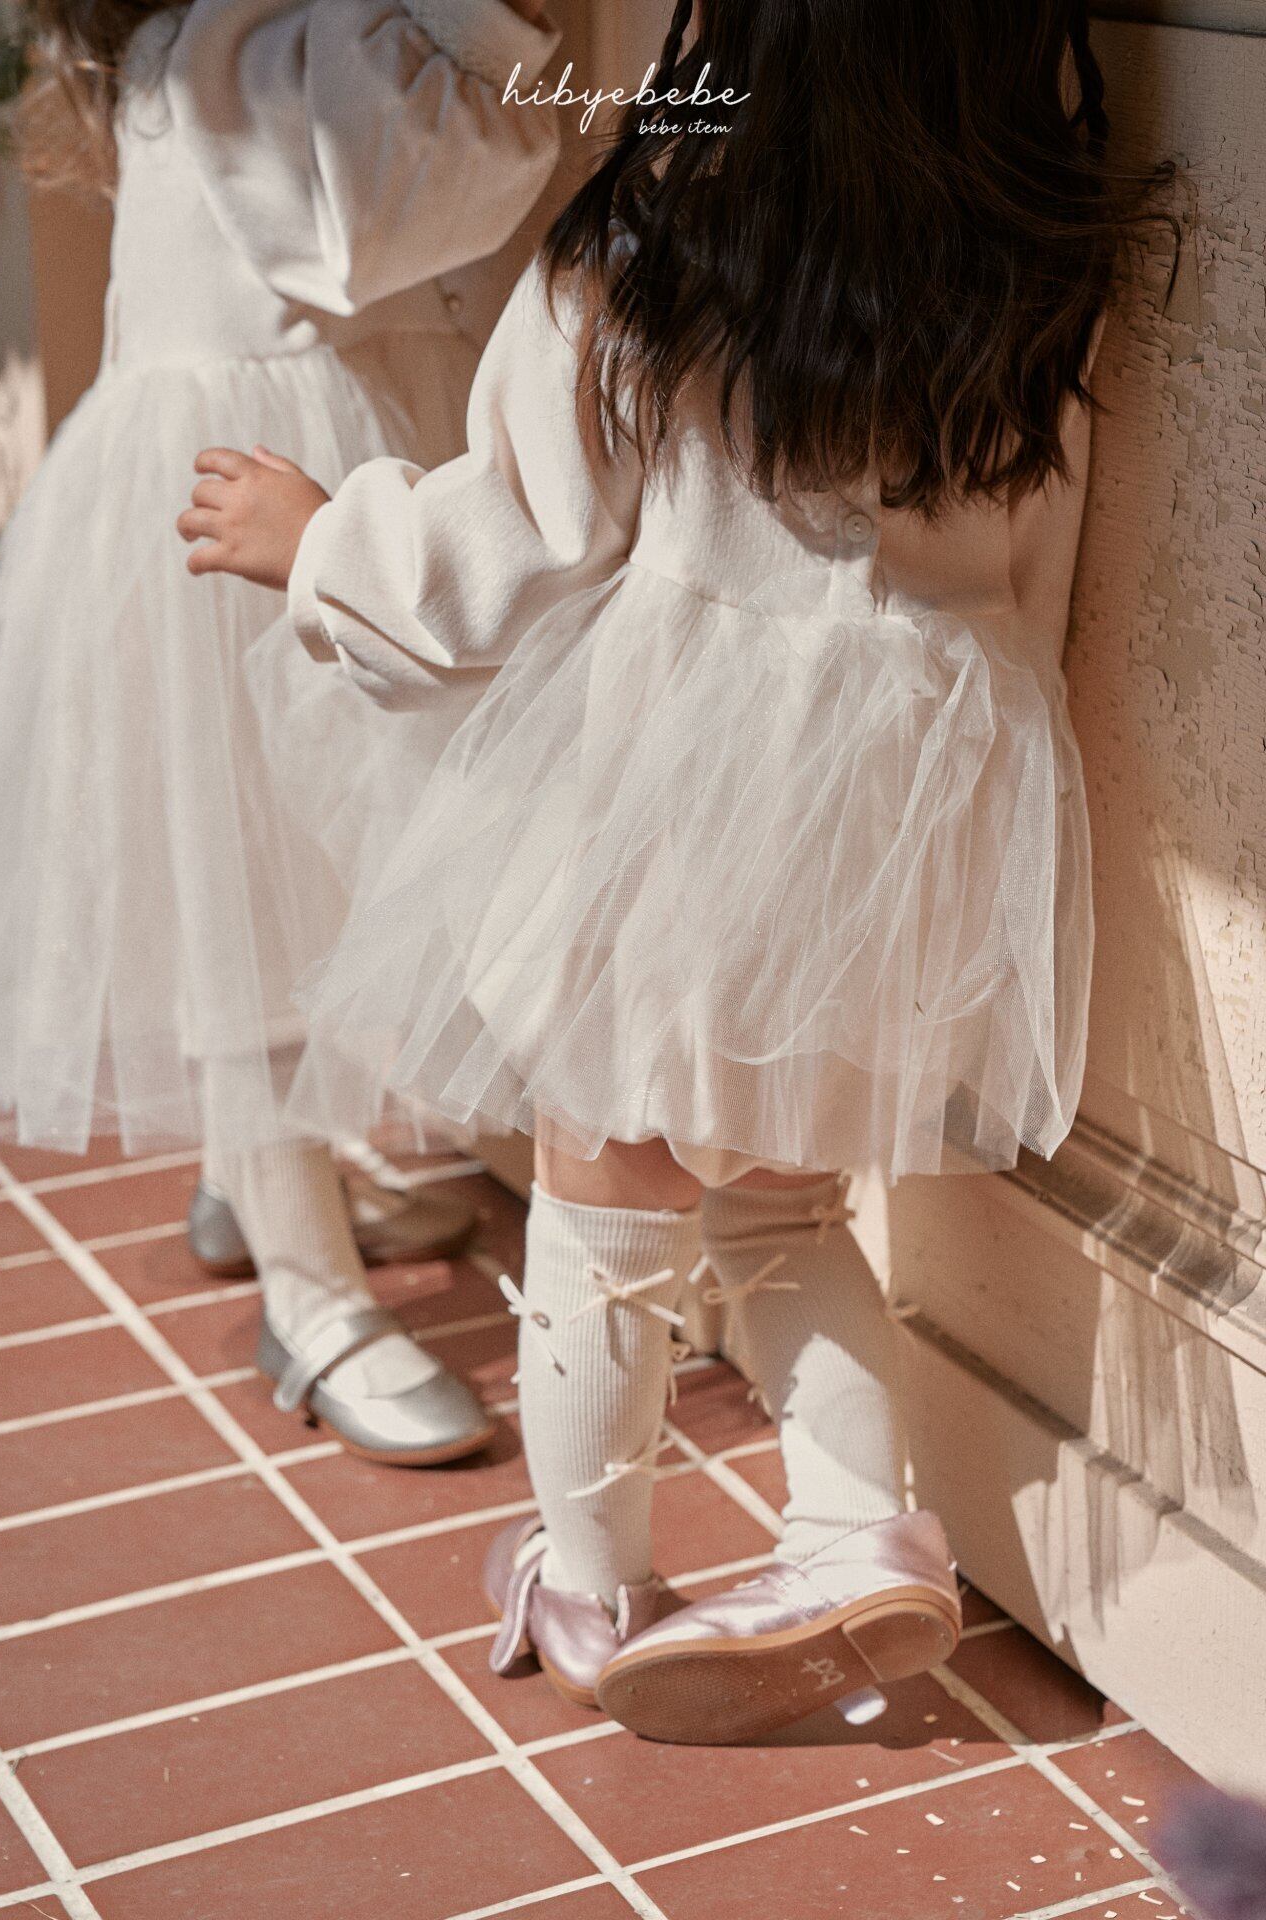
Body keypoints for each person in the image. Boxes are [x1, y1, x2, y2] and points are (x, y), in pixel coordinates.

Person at [183, 0, 1172, 1741]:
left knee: (607, 1182)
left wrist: (322, 539)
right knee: (783, 1196)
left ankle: (590, 1583)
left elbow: (520, 535)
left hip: (694, 785)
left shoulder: (660, 236)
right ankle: (858, 1532)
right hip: (923, 786)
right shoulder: (1034, 240)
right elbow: (1041, 558)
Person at [0, 0, 560, 1466]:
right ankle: (308, 1295)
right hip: (234, 504)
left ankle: (263, 1172)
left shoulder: (251, 34)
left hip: (334, 471)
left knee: (330, 866)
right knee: (241, 886)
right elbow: (406, 203)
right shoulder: (233, 44)